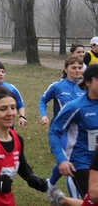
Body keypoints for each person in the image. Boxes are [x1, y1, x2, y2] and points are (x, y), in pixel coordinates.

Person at [49, 64, 98, 198]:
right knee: (92, 199)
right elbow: (54, 131)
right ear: (88, 82)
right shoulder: (75, 107)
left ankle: (62, 200)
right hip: (81, 161)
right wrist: (61, 159)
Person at [40, 56, 85, 200]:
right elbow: (43, 100)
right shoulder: (57, 86)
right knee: (71, 164)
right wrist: (44, 115)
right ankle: (76, 200)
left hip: (79, 132)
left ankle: (50, 184)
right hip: (61, 131)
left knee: (64, 162)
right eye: (73, 68)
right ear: (66, 69)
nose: (77, 70)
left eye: (79, 68)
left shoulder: (85, 86)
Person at [0, 61, 28, 128]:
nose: (1, 74)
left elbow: (20, 104)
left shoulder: (11, 88)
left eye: (3, 72)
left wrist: (22, 117)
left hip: (8, 123)